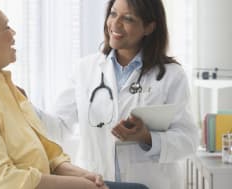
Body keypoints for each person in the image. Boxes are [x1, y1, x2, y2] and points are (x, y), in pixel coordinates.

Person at [0, 0, 150, 189]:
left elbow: (47, 153)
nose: (13, 34)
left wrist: (81, 175)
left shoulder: (2, 86)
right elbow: (1, 179)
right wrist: (79, 186)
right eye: (7, 28)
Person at [37, 0, 199, 189]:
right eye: (113, 14)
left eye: (128, 18)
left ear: (149, 27)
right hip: (97, 182)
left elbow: (188, 140)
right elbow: (59, 126)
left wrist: (146, 137)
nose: (115, 24)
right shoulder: (85, 69)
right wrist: (22, 105)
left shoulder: (171, 76)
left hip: (151, 183)